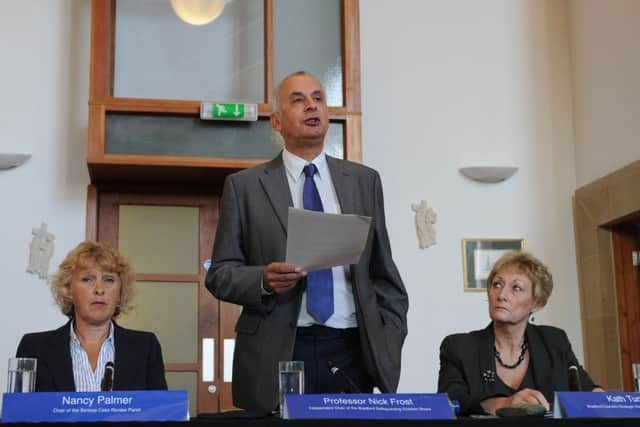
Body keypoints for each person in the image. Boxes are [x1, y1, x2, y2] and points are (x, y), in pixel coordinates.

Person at [206, 70, 408, 414]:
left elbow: (383, 272)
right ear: (277, 121)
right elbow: (220, 273)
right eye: (298, 100)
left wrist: (387, 335)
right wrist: (262, 280)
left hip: (351, 344)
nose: (311, 106)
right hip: (280, 346)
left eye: (317, 98)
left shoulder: (364, 181)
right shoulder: (245, 187)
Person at [438, 251, 600, 416]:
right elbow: (449, 403)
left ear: (537, 303)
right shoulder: (459, 347)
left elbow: (585, 389)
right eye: (497, 285)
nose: (501, 295)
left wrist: (603, 399)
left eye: (516, 288)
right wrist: (504, 404)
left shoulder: (554, 341)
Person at [16, 241, 167, 391]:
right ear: (69, 290)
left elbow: (160, 412)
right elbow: (20, 411)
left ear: (120, 292)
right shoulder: (34, 348)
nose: (99, 289)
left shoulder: (145, 347)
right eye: (87, 279)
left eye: (109, 280)